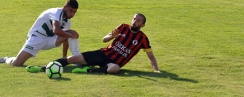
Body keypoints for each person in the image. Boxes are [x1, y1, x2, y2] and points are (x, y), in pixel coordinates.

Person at [26, 13, 160, 74]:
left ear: (143, 25)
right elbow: (104, 39)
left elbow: (151, 56)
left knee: (114, 69)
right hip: (103, 54)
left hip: (114, 62)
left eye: (138, 20)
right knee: (72, 59)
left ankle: (89, 70)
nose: (135, 21)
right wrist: (112, 36)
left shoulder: (143, 38)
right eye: (134, 18)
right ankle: (44, 67)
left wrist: (156, 69)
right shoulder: (123, 27)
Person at [0, 0, 80, 66]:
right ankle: (7, 59)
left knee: (73, 34)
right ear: (64, 7)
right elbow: (56, 30)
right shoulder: (56, 12)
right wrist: (70, 36)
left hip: (50, 40)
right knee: (17, 63)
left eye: (74, 12)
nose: (72, 14)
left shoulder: (67, 21)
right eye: (71, 11)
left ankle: (76, 59)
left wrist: (64, 59)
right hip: (36, 38)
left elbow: (66, 39)